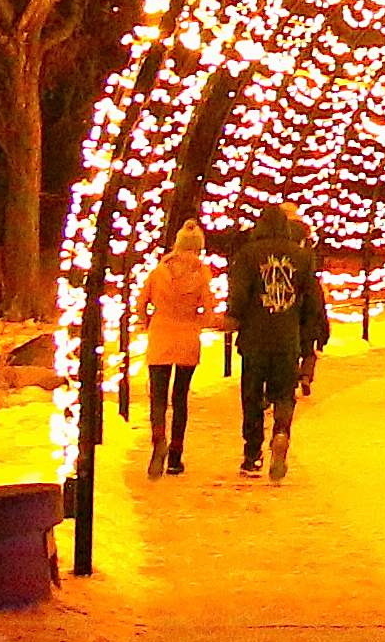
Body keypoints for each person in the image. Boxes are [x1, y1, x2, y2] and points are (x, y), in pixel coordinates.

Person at [228, 202, 328, 480]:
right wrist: (310, 333)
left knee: (252, 395)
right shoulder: (302, 257)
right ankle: (281, 431)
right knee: (284, 393)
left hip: (254, 339)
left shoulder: (247, 255)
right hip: (287, 338)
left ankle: (252, 454)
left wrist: (233, 318)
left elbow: (238, 296)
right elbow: (311, 301)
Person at [137, 219, 213, 476]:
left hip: (160, 335)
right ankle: (175, 456)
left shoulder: (158, 272)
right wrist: (197, 322)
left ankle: (158, 441)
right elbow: (208, 310)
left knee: (158, 397)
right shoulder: (201, 274)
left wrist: (148, 321)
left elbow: (141, 303)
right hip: (187, 338)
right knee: (180, 398)